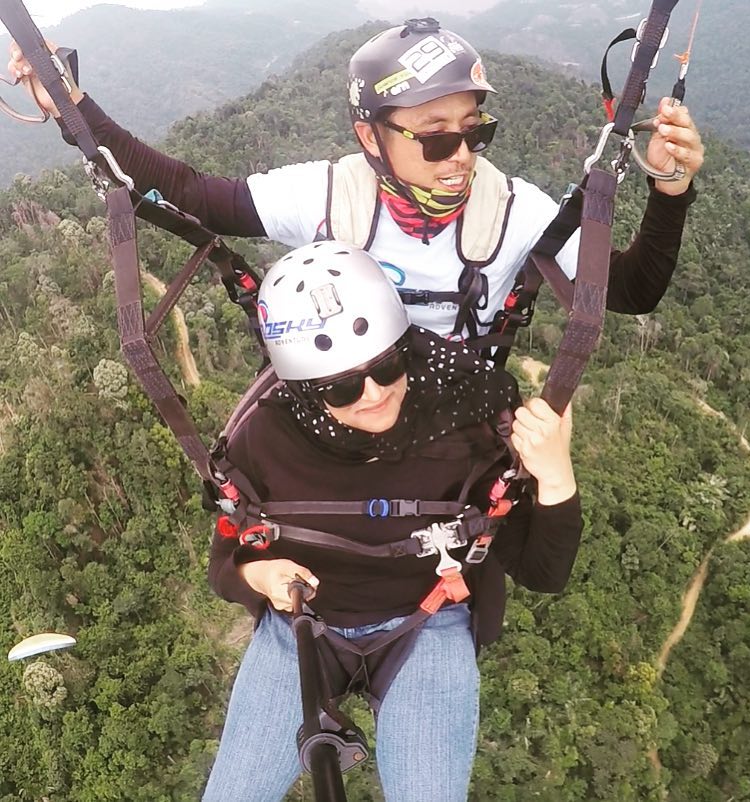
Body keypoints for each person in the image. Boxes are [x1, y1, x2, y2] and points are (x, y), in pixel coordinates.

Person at [8, 17, 703, 347]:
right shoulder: (333, 196)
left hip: (452, 427)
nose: (460, 154)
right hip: (341, 407)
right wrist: (74, 107)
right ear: (369, 136)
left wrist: (669, 192)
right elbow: (189, 195)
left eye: (474, 130)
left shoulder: (514, 212)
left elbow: (631, 291)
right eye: (434, 136)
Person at [201, 240, 580, 801]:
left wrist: (556, 475)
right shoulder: (264, 438)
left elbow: (543, 572)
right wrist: (258, 576)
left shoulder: (467, 416)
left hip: (427, 621)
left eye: (387, 366)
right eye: (342, 387)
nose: (375, 396)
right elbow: (226, 564)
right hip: (304, 625)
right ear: (307, 391)